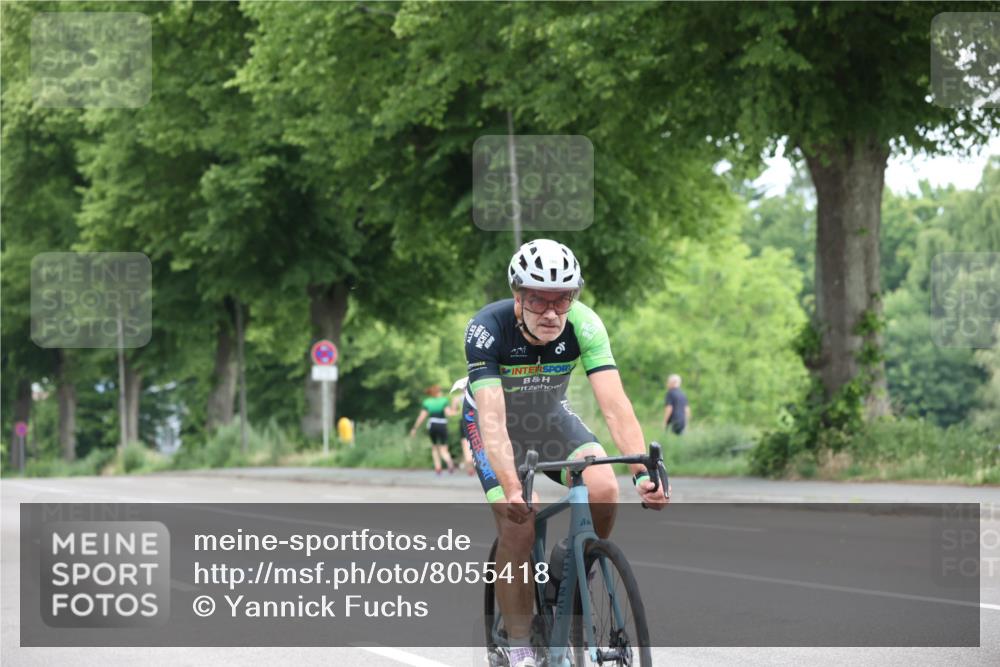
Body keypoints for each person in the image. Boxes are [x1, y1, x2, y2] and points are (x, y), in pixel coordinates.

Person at [460, 239, 670, 667]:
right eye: (539, 299)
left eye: (563, 299)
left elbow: (615, 404)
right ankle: (519, 643)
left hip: (550, 417)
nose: (553, 312)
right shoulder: (486, 329)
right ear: (517, 295)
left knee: (603, 486)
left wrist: (642, 472)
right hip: (495, 424)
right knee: (520, 519)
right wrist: (512, 486)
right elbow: (494, 421)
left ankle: (572, 564)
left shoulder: (586, 325)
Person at [408, 385, 455, 474]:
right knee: (444, 448)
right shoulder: (444, 401)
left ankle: (438, 467)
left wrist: (414, 428)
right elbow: (448, 413)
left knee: (434, 447)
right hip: (442, 425)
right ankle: (449, 462)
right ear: (438, 392)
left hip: (432, 425)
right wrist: (455, 411)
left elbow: (422, 416)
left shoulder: (427, 402)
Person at [448, 387, 476, 476]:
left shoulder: (457, 398)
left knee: (465, 445)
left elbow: (452, 412)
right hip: (475, 420)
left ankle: (469, 466)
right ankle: (477, 465)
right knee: (477, 444)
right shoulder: (475, 395)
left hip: (463, 421)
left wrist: (451, 412)